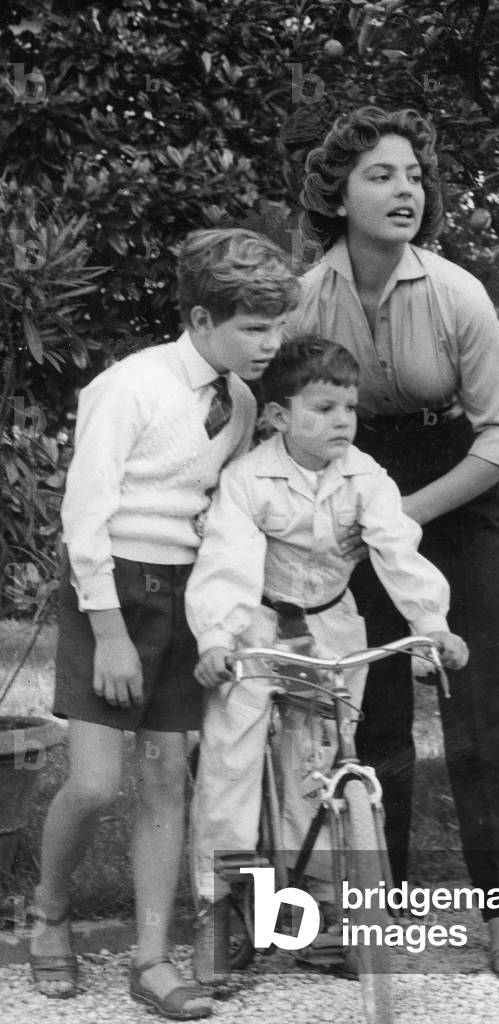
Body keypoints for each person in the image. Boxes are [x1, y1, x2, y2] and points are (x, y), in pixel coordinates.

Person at [29, 228, 300, 1019]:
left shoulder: (242, 401)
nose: (269, 343)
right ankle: (49, 909)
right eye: (254, 328)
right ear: (200, 318)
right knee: (94, 780)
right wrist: (110, 630)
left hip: (184, 599)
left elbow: (224, 510)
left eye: (276, 327)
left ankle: (150, 959)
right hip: (110, 593)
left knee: (162, 779)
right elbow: (86, 516)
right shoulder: (130, 387)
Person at [294, 106, 499, 980]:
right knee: (377, 714)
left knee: (476, 713)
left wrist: (408, 511)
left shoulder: (456, 292)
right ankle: (380, 917)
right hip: (358, 493)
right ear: (338, 195)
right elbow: (277, 420)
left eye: (413, 176)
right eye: (380, 176)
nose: (405, 190)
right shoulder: (305, 299)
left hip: (458, 491)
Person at [184, 333, 468, 984]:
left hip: (331, 626)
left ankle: (321, 911)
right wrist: (218, 641)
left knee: (322, 761)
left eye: (349, 407)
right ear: (279, 417)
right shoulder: (248, 479)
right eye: (322, 408)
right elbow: (226, 562)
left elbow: (398, 548)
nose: (341, 421)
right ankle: (219, 910)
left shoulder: (365, 477)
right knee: (232, 760)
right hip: (255, 621)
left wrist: (433, 625)